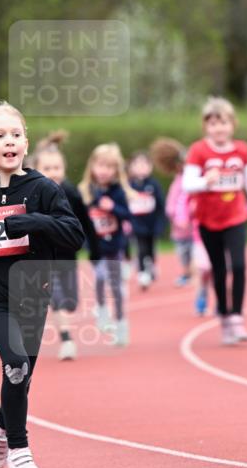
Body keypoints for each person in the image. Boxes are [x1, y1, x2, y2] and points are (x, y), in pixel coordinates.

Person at [0, 102, 84, 468]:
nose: (9, 141)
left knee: (21, 375)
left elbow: (75, 235)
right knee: (16, 364)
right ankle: (19, 448)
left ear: (26, 143)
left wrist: (35, 222)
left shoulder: (43, 189)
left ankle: (1, 423)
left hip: (33, 296)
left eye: (16, 134)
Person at [182, 97, 247, 344]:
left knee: (239, 265)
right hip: (208, 220)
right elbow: (187, 184)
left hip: (235, 215)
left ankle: (237, 317)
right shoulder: (199, 150)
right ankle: (225, 317)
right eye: (214, 123)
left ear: (233, 125)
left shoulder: (241, 149)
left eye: (224, 122)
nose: (219, 128)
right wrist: (207, 180)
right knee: (219, 269)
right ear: (206, 126)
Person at [31, 131, 100, 360]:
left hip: (68, 255)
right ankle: (67, 339)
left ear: (64, 168)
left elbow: (86, 222)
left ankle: (65, 320)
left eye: (57, 168)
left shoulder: (71, 192)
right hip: (44, 257)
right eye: (47, 168)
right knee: (57, 298)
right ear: (37, 170)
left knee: (70, 301)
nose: (53, 173)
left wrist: (95, 248)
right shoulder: (32, 195)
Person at [78, 143, 133, 346]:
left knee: (116, 287)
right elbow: (79, 218)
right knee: (100, 278)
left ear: (116, 170)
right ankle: (101, 310)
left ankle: (120, 324)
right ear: (92, 166)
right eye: (101, 165)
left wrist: (113, 208)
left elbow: (128, 215)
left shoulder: (118, 192)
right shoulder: (85, 191)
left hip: (114, 246)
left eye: (109, 167)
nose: (104, 171)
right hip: (95, 247)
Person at [150, 136, 212, 310]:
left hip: (198, 232)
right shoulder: (178, 184)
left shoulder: (198, 180)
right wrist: (180, 219)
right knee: (188, 263)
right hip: (180, 234)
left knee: (201, 267)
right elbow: (170, 207)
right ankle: (193, 279)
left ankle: (201, 294)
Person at [127, 151, 166, 290]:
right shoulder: (128, 185)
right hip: (136, 225)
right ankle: (143, 273)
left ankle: (151, 266)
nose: (141, 168)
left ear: (150, 167)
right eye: (137, 165)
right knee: (141, 248)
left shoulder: (154, 185)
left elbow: (161, 206)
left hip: (152, 224)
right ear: (131, 167)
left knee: (151, 249)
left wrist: (160, 224)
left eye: (144, 164)